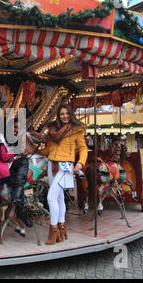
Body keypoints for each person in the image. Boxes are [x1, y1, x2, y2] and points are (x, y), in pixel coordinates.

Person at [41, 104, 88, 245]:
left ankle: (53, 231)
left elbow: (83, 148)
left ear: (71, 114)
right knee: (59, 197)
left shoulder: (76, 130)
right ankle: (62, 229)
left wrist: (80, 163)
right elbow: (48, 150)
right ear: (58, 115)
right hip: (52, 164)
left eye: (67, 113)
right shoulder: (53, 129)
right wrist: (32, 150)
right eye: (62, 114)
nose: (65, 116)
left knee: (51, 197)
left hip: (65, 166)